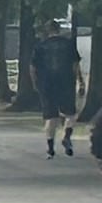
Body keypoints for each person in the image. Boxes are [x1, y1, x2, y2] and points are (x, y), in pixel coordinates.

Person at [30, 22, 83, 156]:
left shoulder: (40, 46)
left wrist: (35, 83)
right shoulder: (68, 44)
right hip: (66, 82)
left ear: (47, 31)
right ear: (58, 29)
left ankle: (50, 147)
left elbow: (33, 67)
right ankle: (66, 136)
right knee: (70, 113)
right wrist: (80, 81)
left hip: (46, 83)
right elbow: (75, 65)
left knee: (50, 116)